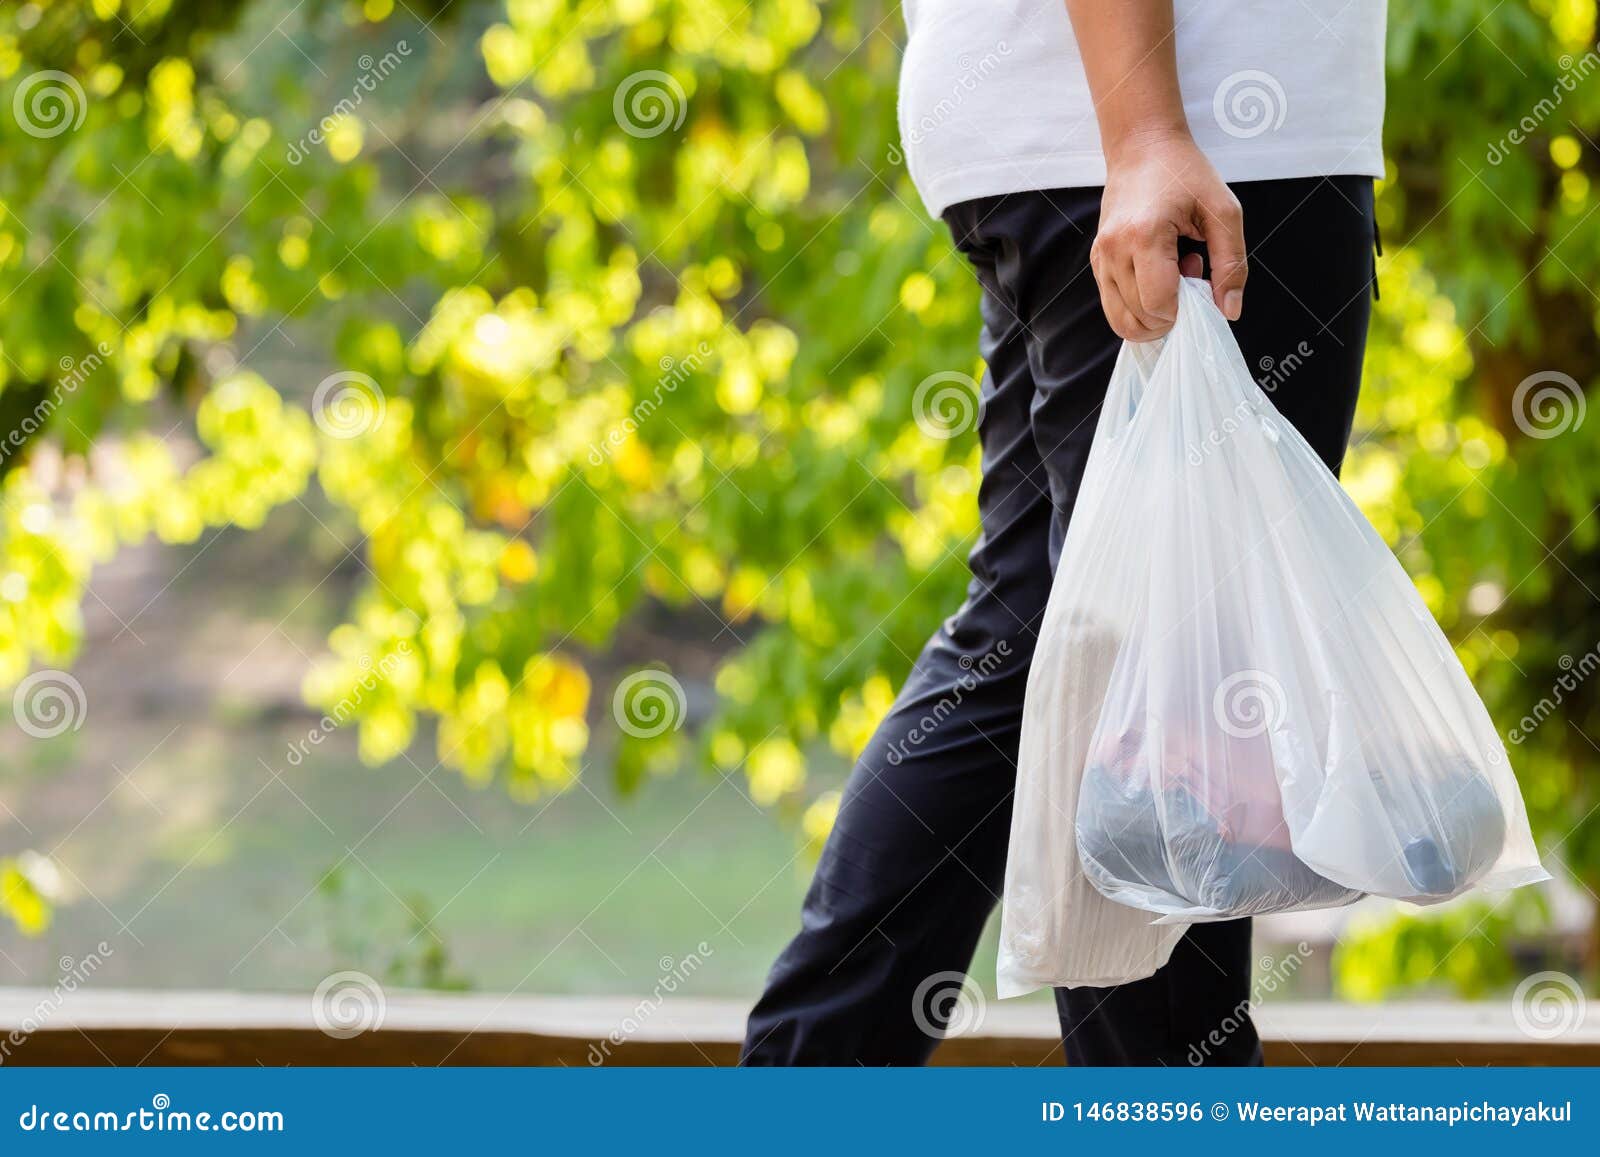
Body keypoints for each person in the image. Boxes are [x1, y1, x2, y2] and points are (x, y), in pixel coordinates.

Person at [741, 0, 1386, 1065]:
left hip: (1103, 131)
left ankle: (806, 1082)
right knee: (1167, 668)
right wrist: (1142, 135)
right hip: (1197, 139)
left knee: (1048, 641)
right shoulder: (1160, 141)